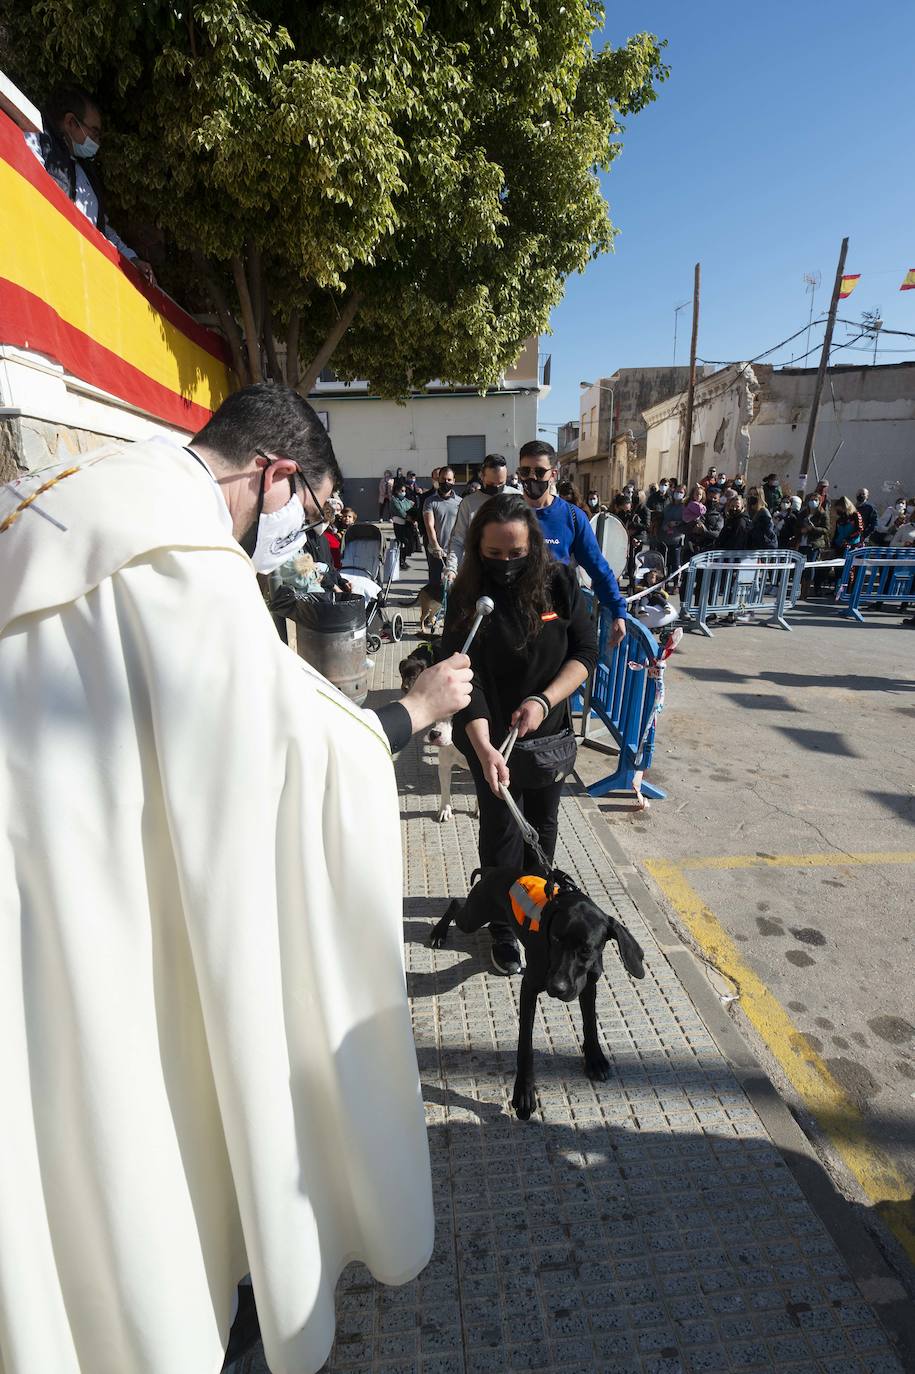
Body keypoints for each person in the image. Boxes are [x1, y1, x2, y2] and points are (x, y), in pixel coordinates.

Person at [0, 383, 474, 1374]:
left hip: (48, 878)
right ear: (277, 475)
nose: (299, 533)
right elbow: (289, 763)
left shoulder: (72, 490)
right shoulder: (179, 553)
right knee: (137, 1108)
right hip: (90, 916)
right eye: (309, 511)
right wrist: (415, 712)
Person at [440, 494, 598, 975]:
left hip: (545, 730)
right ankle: (503, 925)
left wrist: (544, 700)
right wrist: (485, 747)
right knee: (502, 829)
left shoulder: (559, 582)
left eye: (517, 553)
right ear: (477, 549)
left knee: (542, 827)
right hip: (487, 731)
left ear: (534, 546)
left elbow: (585, 653)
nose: (506, 564)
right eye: (495, 554)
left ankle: (537, 906)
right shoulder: (468, 596)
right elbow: (464, 676)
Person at [24, 85, 155, 283]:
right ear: (71, 122)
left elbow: (102, 230)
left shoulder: (88, 176)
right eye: (94, 133)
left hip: (78, 279)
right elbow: (28, 193)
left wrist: (131, 259)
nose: (96, 141)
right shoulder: (36, 142)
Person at [515, 440, 627, 646]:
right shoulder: (506, 514)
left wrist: (617, 610)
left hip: (554, 623)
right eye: (525, 471)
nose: (531, 478)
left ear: (553, 475)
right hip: (512, 623)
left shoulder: (572, 517)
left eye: (540, 472)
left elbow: (598, 567)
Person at [442, 453, 508, 581]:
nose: (497, 488)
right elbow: (458, 540)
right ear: (482, 477)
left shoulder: (516, 497)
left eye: (501, 483)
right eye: (492, 484)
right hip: (477, 573)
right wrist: (451, 568)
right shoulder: (469, 503)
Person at [423, 466, 463, 585]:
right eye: (443, 479)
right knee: (435, 585)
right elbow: (429, 525)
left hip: (454, 553)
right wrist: (435, 545)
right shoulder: (430, 501)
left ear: (454, 481)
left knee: (454, 586)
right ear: (438, 480)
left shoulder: (460, 502)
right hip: (437, 552)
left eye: (449, 480)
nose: (446, 482)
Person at [797, 493, 831, 597]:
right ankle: (799, 589)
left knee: (810, 566)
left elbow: (826, 529)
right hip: (802, 542)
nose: (813, 502)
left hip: (814, 543)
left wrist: (813, 529)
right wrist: (801, 530)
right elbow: (796, 526)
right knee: (800, 566)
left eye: (815, 500)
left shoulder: (823, 514)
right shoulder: (803, 513)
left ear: (819, 501)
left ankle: (806, 591)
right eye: (811, 499)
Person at [658, 481, 687, 575]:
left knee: (676, 563)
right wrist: (666, 526)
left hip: (677, 539)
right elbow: (663, 519)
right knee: (664, 563)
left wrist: (676, 523)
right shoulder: (668, 506)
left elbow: (686, 521)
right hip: (665, 538)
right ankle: (663, 583)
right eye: (677, 491)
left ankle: (675, 584)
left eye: (681, 492)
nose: (678, 494)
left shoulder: (685, 507)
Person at [389, 477, 415, 568]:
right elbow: (401, 511)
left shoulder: (405, 500)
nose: (403, 492)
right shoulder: (394, 500)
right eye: (401, 491)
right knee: (402, 542)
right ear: (396, 491)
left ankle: (403, 560)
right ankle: (400, 561)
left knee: (407, 543)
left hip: (406, 524)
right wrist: (407, 516)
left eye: (404, 491)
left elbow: (411, 505)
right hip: (398, 524)